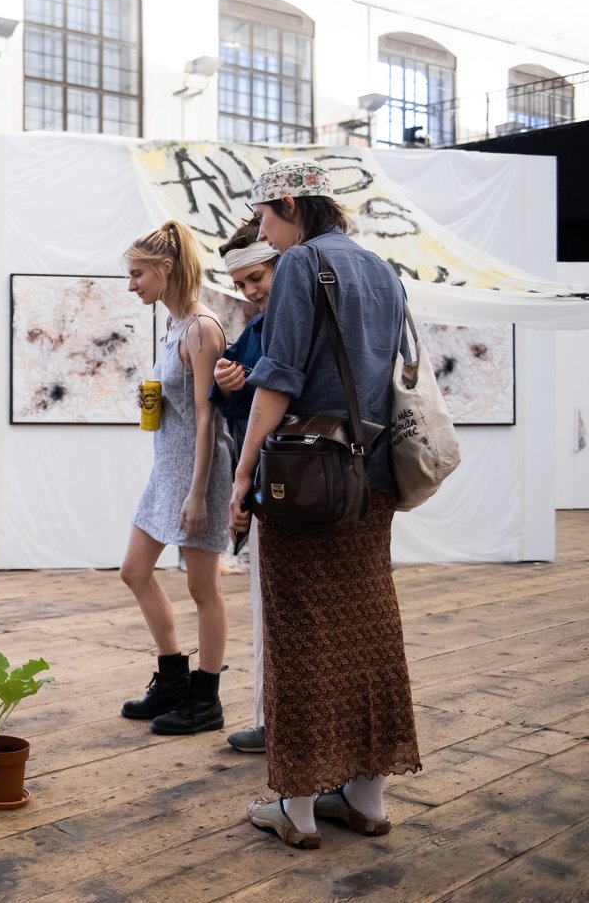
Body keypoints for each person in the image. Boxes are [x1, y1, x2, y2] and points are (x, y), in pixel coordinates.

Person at [231, 158, 420, 849]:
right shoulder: (381, 269)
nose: (264, 233)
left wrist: (241, 475)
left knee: (300, 635)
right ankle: (366, 798)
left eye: (265, 218)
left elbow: (276, 382)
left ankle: (299, 808)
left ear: (290, 203)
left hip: (305, 481)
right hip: (372, 480)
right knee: (370, 629)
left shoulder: (303, 266)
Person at [119, 220, 234, 736]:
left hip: (197, 476)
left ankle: (205, 699)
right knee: (134, 571)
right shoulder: (173, 325)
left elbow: (210, 417)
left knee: (202, 586)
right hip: (167, 468)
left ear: (165, 269)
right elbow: (187, 407)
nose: (131, 285)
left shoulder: (202, 328)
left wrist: (197, 494)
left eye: (137, 274)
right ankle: (171, 678)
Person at [209, 218, 280, 755]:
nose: (251, 291)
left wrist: (243, 383)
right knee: (269, 607)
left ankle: (277, 721)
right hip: (270, 474)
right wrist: (228, 384)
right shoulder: (257, 329)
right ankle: (270, 716)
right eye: (241, 285)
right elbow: (243, 405)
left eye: (256, 278)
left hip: (289, 475)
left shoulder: (289, 322)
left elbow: (280, 392)